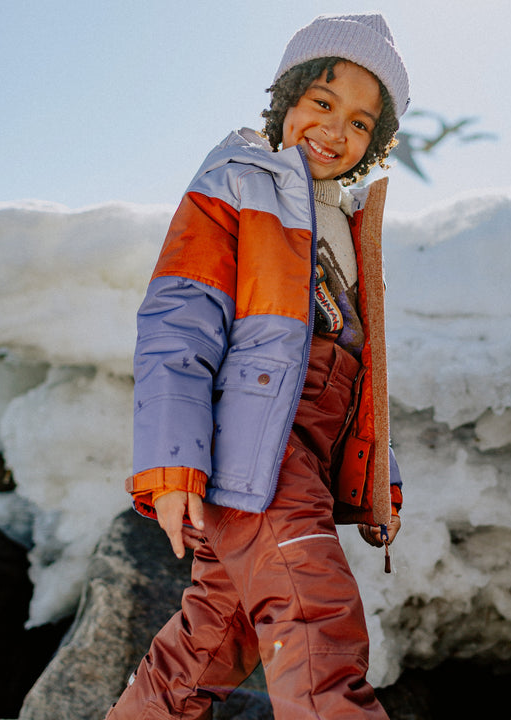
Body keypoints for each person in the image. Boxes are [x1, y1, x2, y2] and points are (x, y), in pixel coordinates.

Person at [106, 12, 409, 720]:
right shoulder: (239, 183)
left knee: (217, 636)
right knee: (314, 613)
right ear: (286, 97)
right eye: (323, 102)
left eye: (363, 123)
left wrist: (379, 476)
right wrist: (172, 465)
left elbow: (366, 369)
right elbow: (178, 326)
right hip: (255, 449)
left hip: (309, 444)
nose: (337, 130)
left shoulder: (348, 220)